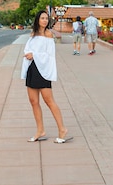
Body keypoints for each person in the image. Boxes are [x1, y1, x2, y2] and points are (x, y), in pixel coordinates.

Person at [21, 10, 70, 143]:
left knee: (49, 101)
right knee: (33, 101)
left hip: (43, 70)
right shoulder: (33, 34)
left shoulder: (49, 35)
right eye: (42, 18)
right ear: (37, 20)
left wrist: (34, 55)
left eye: (46, 18)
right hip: (32, 68)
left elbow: (49, 55)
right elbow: (28, 49)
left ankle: (62, 129)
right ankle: (40, 130)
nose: (44, 20)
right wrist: (29, 54)